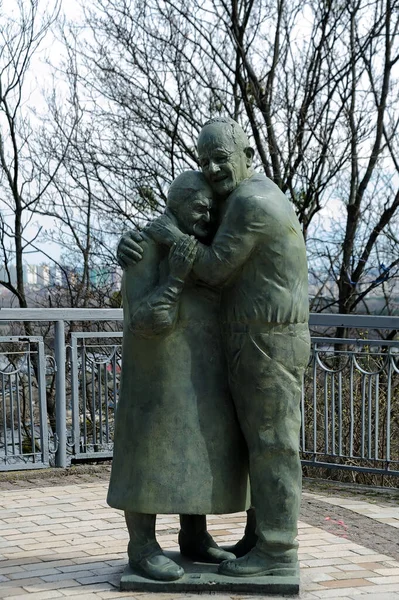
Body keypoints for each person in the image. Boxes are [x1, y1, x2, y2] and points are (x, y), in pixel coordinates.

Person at [119, 117, 310, 578]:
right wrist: (137, 240)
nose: (212, 170)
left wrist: (166, 234)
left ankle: (278, 549)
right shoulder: (239, 198)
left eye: (220, 159)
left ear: (247, 157)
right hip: (227, 347)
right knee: (253, 444)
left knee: (271, 446)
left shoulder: (251, 202)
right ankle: (257, 539)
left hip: (266, 339)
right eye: (203, 162)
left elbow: (215, 266)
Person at [107, 170, 249, 582]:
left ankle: (194, 533)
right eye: (199, 210)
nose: (207, 219)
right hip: (155, 375)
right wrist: (175, 278)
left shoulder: (207, 246)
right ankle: (142, 545)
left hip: (196, 370)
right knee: (148, 451)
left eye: (211, 211)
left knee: (194, 448)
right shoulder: (146, 249)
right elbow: (145, 321)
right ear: (176, 206)